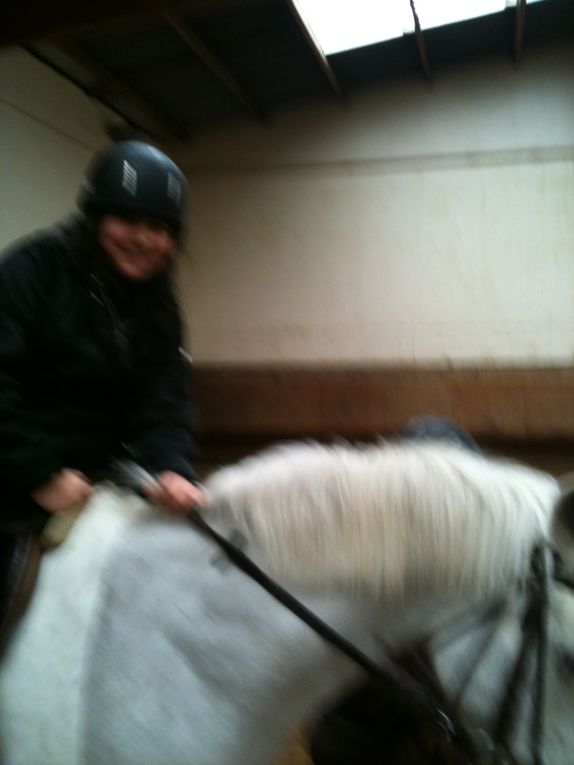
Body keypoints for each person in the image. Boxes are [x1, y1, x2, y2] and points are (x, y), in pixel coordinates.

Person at [0, 140, 204, 542]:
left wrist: (172, 467)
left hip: (103, 480)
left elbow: (164, 399)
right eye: (127, 219)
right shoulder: (34, 271)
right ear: (95, 220)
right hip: (17, 472)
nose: (143, 239)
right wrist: (40, 476)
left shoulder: (159, 306)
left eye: (158, 227)